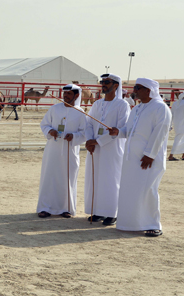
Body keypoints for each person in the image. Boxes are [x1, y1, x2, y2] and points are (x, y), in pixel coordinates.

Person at [108, 78, 172, 237]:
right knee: (131, 191)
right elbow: (130, 130)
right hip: (131, 159)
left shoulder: (160, 108)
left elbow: (160, 133)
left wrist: (150, 155)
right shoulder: (137, 108)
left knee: (147, 190)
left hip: (149, 159)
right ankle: (130, 223)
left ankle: (153, 224)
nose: (134, 90)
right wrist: (119, 132)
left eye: (138, 87)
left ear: (148, 90)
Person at [83, 74, 131, 225]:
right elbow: (89, 124)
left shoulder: (122, 105)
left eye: (107, 82)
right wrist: (89, 140)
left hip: (112, 148)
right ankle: (98, 211)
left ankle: (112, 213)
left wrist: (97, 141)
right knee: (96, 178)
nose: (103, 84)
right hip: (95, 148)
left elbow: (120, 129)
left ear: (116, 85)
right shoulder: (97, 104)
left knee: (111, 179)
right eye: (102, 82)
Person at [37, 84, 87, 218]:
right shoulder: (54, 109)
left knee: (67, 178)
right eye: (64, 94)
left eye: (69, 94)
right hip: (52, 150)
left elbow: (85, 132)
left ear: (76, 96)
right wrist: (50, 131)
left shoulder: (81, 113)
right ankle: (45, 207)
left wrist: (74, 136)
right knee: (49, 177)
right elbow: (44, 124)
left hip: (70, 151)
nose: (65, 96)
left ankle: (66, 208)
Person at [168, 92, 184, 161]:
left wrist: (170, 125)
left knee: (179, 138)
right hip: (182, 124)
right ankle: (171, 155)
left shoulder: (175, 104)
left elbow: (171, 115)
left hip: (177, 124)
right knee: (179, 139)